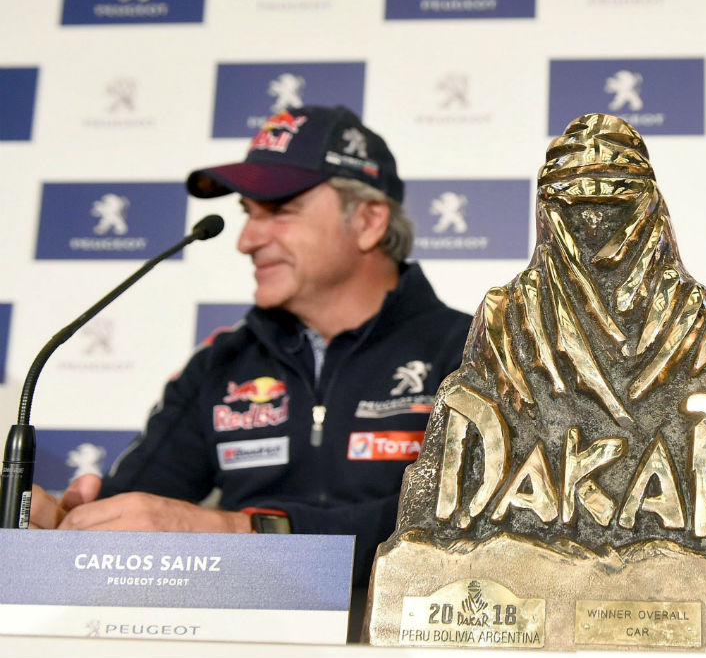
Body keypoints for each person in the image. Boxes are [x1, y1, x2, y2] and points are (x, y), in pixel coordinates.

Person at [31, 105, 473, 586]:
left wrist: (248, 532)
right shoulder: (222, 363)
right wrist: (65, 525)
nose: (246, 240)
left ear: (368, 221)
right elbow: (142, 506)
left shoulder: (477, 355)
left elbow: (475, 524)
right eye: (247, 212)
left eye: (280, 209)